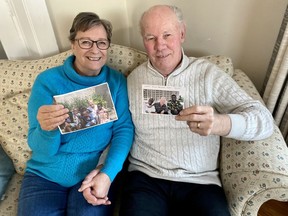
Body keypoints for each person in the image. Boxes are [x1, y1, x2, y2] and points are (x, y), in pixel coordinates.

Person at [119, 5, 274, 216]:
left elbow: (264, 122)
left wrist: (221, 123)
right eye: (150, 38)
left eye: (167, 35)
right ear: (143, 40)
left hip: (200, 181)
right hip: (146, 178)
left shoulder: (208, 75)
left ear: (182, 33)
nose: (160, 45)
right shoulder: (133, 79)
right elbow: (118, 127)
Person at [17, 12, 134, 216]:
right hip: (45, 174)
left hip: (93, 173)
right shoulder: (47, 82)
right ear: (72, 44)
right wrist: (47, 130)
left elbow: (124, 131)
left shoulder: (116, 83)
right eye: (86, 42)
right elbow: (41, 149)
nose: (95, 50)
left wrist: (107, 173)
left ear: (108, 46)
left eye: (101, 43)